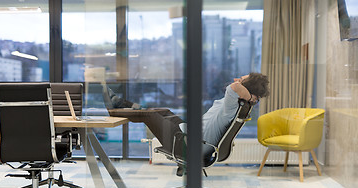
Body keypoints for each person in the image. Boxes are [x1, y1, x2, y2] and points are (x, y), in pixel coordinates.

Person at [104, 72, 269, 171]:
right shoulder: (237, 104)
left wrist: (249, 95)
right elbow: (236, 87)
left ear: (247, 88)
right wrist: (249, 94)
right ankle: (122, 104)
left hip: (190, 144)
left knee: (150, 116)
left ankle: (114, 110)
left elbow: (233, 87)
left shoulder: (235, 104)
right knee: (161, 111)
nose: (238, 79)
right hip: (188, 132)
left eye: (242, 79)